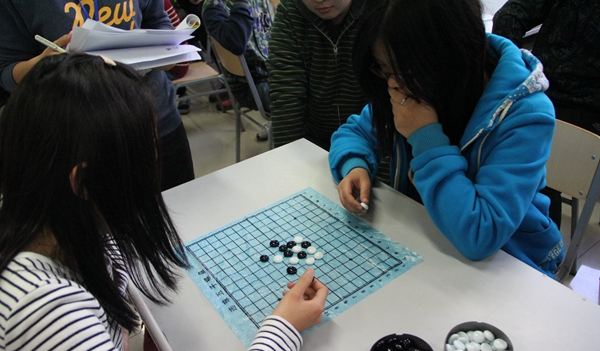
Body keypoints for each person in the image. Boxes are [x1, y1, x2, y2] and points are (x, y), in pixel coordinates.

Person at [0, 53, 328, 351]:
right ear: (84, 182)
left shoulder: (48, 216)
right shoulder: (43, 312)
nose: (155, 169)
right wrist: (283, 329)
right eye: (145, 157)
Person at [328, 0, 565, 278]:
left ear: (449, 58)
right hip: (429, 242)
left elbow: (481, 234)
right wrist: (354, 165)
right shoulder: (406, 85)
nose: (393, 84)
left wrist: (424, 136)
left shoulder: (526, 115)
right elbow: (356, 132)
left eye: (404, 71)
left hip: (509, 265)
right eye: (383, 68)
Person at [0, 0, 195, 191]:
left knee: (180, 204)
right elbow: (7, 71)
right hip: (72, 136)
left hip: (155, 122)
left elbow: (158, 20)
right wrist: (44, 65)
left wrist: (167, 52)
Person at [492, 0, 600, 228]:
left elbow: (509, 16)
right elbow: (509, 16)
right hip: (576, 117)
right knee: (546, 171)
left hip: (538, 95)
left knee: (536, 173)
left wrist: (511, 74)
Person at [266, 0, 368, 151]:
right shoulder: (290, 13)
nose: (319, 0)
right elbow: (286, 95)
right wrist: (289, 157)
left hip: (370, 141)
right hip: (314, 142)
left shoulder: (382, 9)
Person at [203, 0, 272, 118]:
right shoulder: (214, 6)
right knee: (299, 101)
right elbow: (236, 44)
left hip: (274, 73)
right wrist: (241, 4)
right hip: (249, 84)